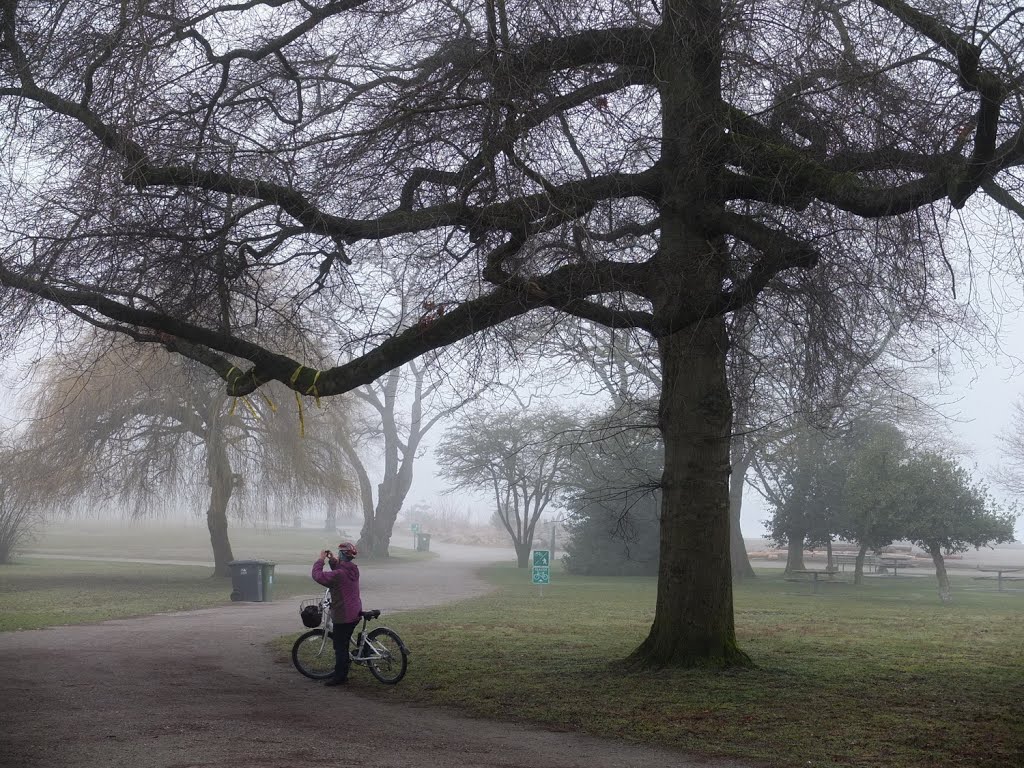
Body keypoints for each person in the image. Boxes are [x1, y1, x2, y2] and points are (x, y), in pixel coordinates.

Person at [311, 541, 362, 686]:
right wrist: (332, 560)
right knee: (344, 642)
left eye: (339, 553)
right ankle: (344, 670)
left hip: (343, 615)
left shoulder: (339, 574)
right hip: (355, 611)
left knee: (340, 647)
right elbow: (340, 570)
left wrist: (320, 560)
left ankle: (340, 677)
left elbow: (318, 576)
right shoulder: (353, 569)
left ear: (342, 554)